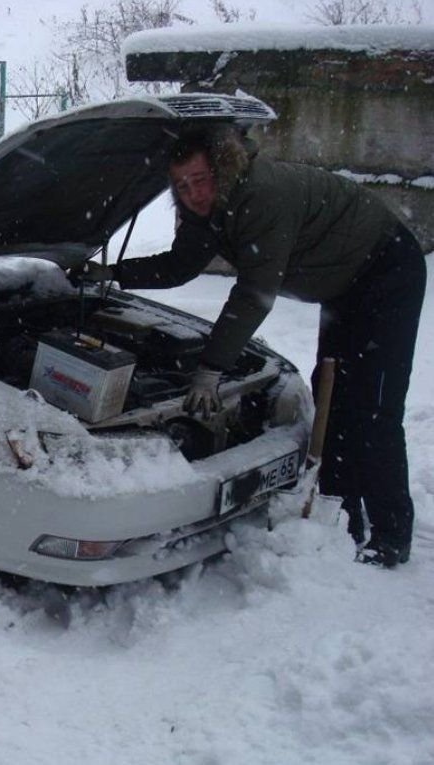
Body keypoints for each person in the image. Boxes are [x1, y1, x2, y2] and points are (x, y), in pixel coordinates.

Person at [73, 125, 426, 569]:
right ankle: (343, 515)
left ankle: (392, 534)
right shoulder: (209, 212)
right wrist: (115, 275)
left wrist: (212, 369)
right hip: (342, 286)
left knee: (373, 406)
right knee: (333, 398)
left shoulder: (261, 197)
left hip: (385, 271)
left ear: (220, 171)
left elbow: (255, 292)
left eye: (200, 180)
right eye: (181, 186)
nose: (193, 194)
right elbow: (181, 265)